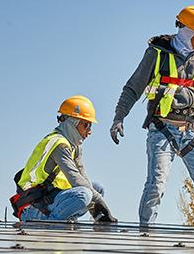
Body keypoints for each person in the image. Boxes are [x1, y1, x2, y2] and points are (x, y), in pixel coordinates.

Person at [109, 5, 194, 225]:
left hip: (193, 132)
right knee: (155, 186)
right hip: (162, 131)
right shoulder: (157, 54)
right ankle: (146, 233)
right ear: (187, 31)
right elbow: (133, 88)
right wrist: (119, 117)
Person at [10, 95, 117, 223]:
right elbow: (77, 181)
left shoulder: (74, 147)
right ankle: (51, 223)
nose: (89, 131)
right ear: (72, 123)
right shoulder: (59, 144)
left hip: (52, 199)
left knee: (97, 188)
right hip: (35, 207)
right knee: (84, 194)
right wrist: (102, 205)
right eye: (86, 125)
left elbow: (84, 179)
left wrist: (97, 213)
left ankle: (65, 218)